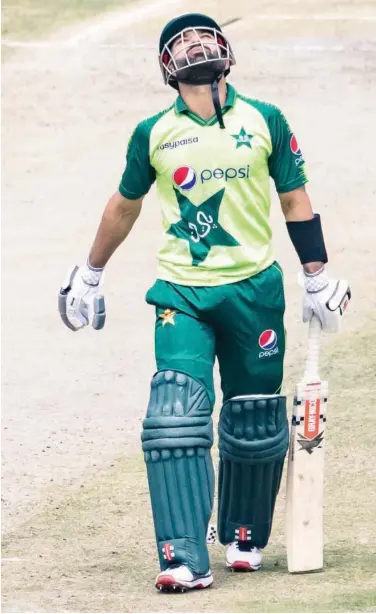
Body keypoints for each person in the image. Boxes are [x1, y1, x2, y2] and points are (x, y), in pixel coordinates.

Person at [58, 13, 351, 592]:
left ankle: (244, 536)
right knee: (174, 416)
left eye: (203, 35)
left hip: (254, 288)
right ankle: (184, 556)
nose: (195, 43)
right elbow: (124, 205)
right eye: (181, 40)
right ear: (167, 66)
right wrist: (89, 273)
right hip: (182, 292)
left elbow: (294, 198)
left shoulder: (265, 120)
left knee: (254, 419)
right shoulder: (153, 134)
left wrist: (316, 276)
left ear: (225, 50)